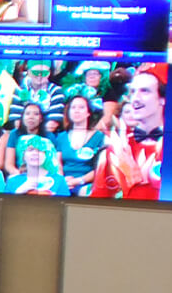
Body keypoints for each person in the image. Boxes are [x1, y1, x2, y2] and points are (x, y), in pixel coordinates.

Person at [91, 63, 166, 199]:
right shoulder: (114, 150)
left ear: (162, 99)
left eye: (145, 91)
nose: (135, 99)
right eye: (133, 91)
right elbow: (97, 200)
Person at [56, 94, 105, 195]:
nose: (76, 111)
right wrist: (63, 180)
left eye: (81, 107)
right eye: (73, 107)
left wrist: (79, 180)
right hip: (65, 182)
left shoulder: (99, 137)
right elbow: (58, 164)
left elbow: (100, 168)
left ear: (88, 113)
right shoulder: (61, 137)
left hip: (88, 183)